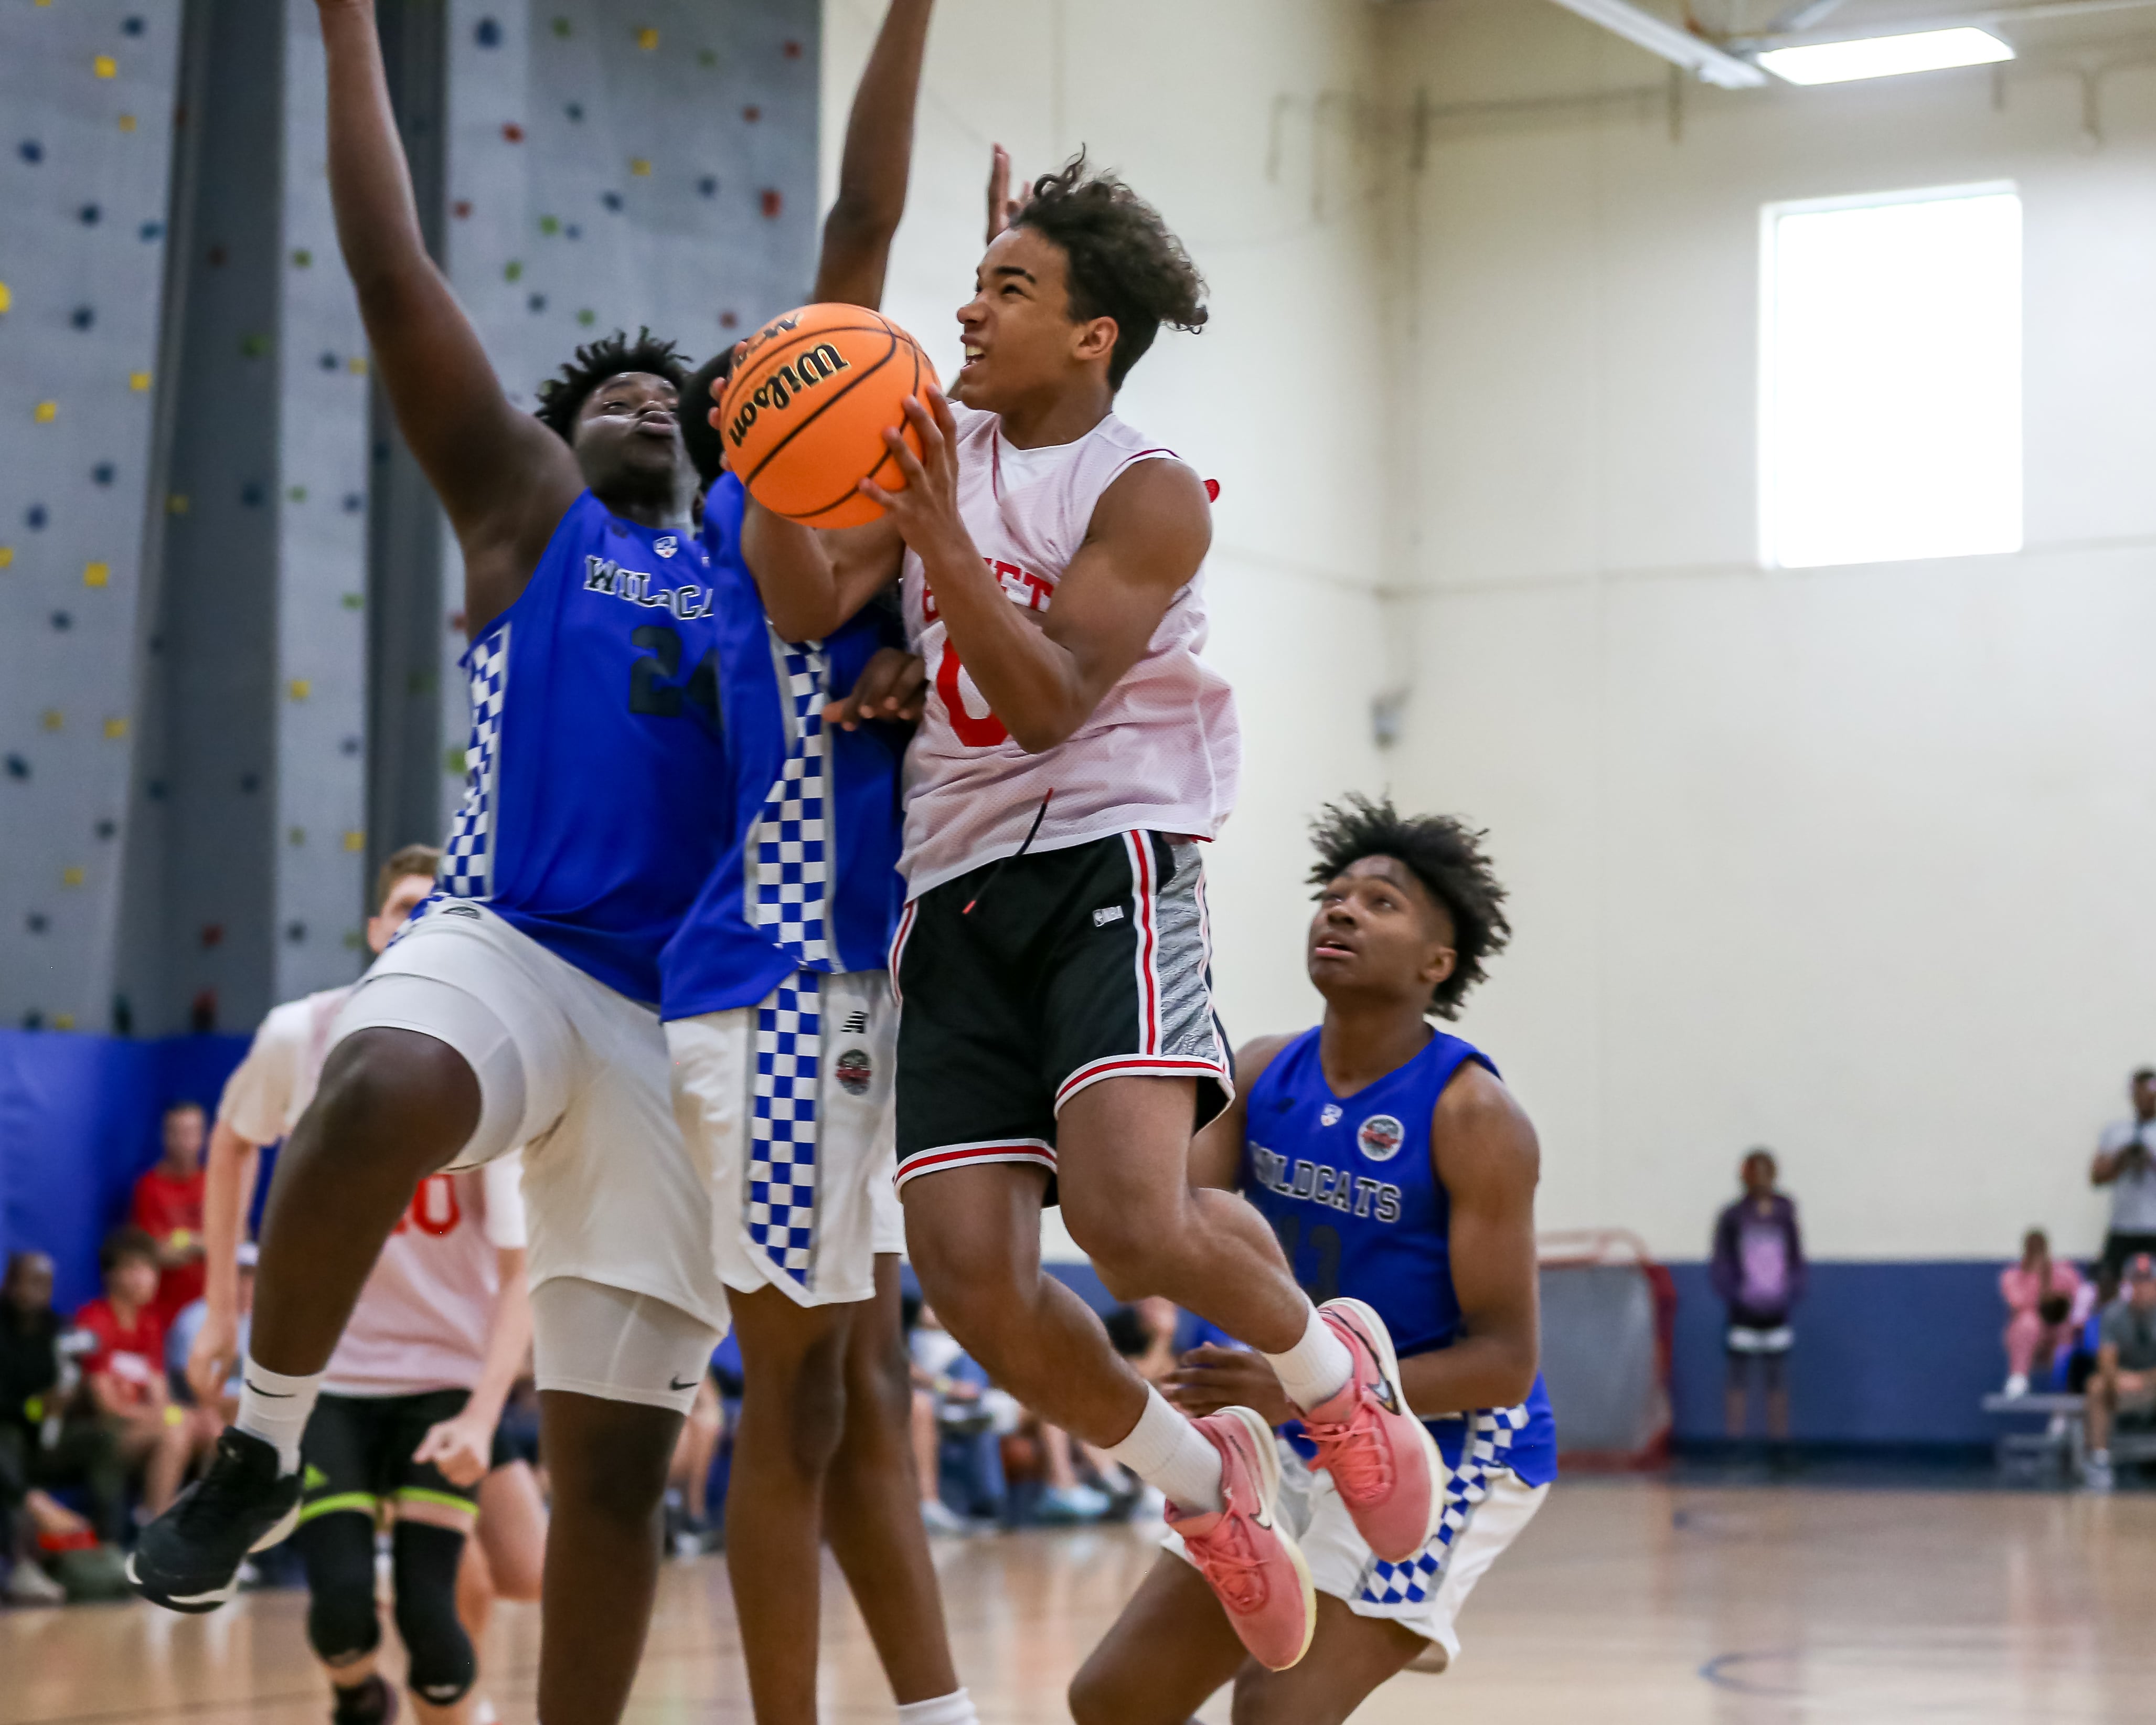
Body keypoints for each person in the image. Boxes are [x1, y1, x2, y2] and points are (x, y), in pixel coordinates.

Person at [736, 149, 1440, 1674]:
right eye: (975, 280)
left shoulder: (1143, 491)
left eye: (1009, 287)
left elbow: (1051, 699)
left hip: (1107, 855)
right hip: (949, 887)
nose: (969, 312)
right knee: (974, 1278)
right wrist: (771, 464)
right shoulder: (929, 450)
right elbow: (801, 601)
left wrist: (929, 537)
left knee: (1129, 1229)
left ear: (1089, 334)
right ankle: (1204, 1484)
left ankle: (1335, 1379)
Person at [127, 10, 737, 1723]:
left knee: (613, 1468)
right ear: (551, 439)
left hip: (680, 1016)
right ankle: (258, 1446)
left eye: (665, 393)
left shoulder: (760, 585)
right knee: (375, 1070)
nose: (637, 392)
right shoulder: (528, 515)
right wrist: (342, 28)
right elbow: (393, 267)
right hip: (511, 940)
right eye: (601, 387)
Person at [660, 7, 976, 1720]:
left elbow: (874, 229)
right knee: (795, 1402)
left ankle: (937, 1704)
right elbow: (856, 231)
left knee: (863, 1390)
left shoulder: (906, 542)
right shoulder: (766, 520)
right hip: (780, 988)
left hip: (865, 999)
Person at [1070, 795, 1553, 1723]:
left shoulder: (1474, 1115)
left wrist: (1297, 1389)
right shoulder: (1259, 1073)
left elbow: (1505, 1362)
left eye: (1380, 902)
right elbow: (1154, 1241)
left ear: (1435, 963)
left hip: (1451, 1434)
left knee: (1277, 1707)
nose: (1340, 910)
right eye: (1333, 894)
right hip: (1288, 1416)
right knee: (1116, 1697)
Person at [184, 844, 537, 1725]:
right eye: (404, 904)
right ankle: (368, 1694)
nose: (418, 919)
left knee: (504, 1580)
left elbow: (519, 1264)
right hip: (327, 1373)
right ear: (377, 925)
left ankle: (456, 1676)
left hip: (445, 1374)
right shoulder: (301, 1035)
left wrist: (486, 1410)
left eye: (440, 905)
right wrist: (222, 1311)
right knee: (341, 1605)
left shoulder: (494, 1056)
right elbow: (230, 1142)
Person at [76, 1229, 219, 1523]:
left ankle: (203, 1524)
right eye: (137, 1269)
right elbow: (108, 1408)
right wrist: (168, 1417)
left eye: (151, 1269)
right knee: (175, 1429)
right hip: (103, 1433)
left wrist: (174, 1415)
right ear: (113, 1277)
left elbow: (161, 1396)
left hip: (144, 1425)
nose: (149, 1278)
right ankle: (154, 1522)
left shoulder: (150, 1325)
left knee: (214, 1428)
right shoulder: (94, 1320)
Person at [2, 1251, 127, 1549]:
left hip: (49, 1441)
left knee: (102, 1439)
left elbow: (68, 1391)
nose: (33, 1293)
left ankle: (110, 1545)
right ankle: (21, 1553)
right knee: (6, 1439)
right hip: (11, 1440)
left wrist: (76, 1396)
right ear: (9, 1284)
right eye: (27, 1282)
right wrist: (34, 1409)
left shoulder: (57, 1330)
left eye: (43, 1285)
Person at [1712, 1148, 1806, 1445]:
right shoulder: (1733, 1216)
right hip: (1743, 1309)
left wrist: (1793, 1288)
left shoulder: (1785, 1212)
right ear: (1745, 1177)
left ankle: (1779, 1443)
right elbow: (1722, 1260)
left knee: (1777, 1377)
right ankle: (1734, 1442)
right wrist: (1733, 1293)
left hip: (1777, 1308)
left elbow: (1795, 1255)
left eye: (1767, 1173)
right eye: (1755, 1173)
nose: (1761, 1180)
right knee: (1738, 1376)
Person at [132, 1101, 209, 1325]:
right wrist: (200, 1242)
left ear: (203, 1136)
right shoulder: (149, 1187)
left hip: (211, 1310)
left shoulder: (215, 1184)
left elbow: (235, 1243)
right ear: (166, 1136)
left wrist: (180, 1240)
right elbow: (153, 1252)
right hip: (166, 1313)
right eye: (178, 1132)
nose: (185, 1141)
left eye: (192, 1132)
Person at [2084, 1253, 2156, 1491]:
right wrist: (2118, 1379)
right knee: (2096, 1387)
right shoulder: (2113, 1315)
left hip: (2150, 1384)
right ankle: (2099, 1460)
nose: (2142, 1288)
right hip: (2125, 1388)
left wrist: (2143, 1379)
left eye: (2148, 1281)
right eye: (2137, 1281)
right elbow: (2106, 1361)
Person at [168, 1242, 255, 1421]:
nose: (247, 1285)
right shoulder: (196, 1317)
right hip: (194, 1413)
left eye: (254, 1278)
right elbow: (192, 1390)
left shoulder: (262, 1325)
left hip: (244, 1412)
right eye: (241, 1276)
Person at [1999, 1229, 2086, 1398]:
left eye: (2040, 1248)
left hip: (2060, 1333)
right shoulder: (2013, 1276)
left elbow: (2080, 1298)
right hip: (2031, 1336)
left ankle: (2070, 1388)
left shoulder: (2065, 1273)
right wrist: (2041, 1284)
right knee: (2027, 1322)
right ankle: (2018, 1377)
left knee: (2070, 1325)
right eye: (2032, 1248)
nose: (2036, 1253)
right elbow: (2018, 1303)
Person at [2091, 1069, 2156, 1276]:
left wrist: (2149, 1159)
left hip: (2153, 1225)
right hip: (2123, 1225)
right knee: (2109, 1281)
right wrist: (2121, 1159)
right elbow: (2097, 1178)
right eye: (2137, 1092)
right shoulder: (2116, 1132)